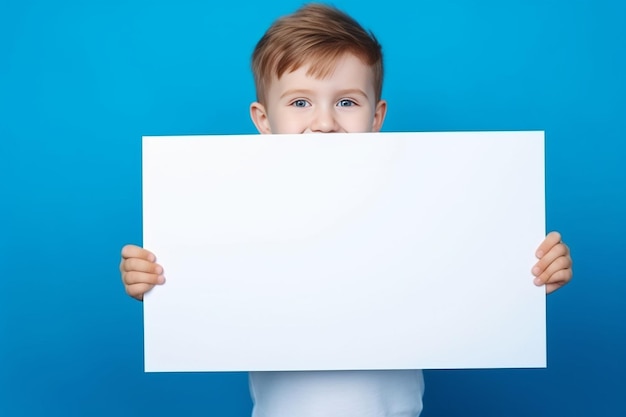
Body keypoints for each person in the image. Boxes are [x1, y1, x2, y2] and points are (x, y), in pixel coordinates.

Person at [119, 4, 573, 417]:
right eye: (300, 102)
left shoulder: (417, 210)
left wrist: (526, 277)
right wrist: (159, 283)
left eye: (346, 102)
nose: (324, 122)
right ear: (263, 120)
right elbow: (205, 290)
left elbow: (460, 271)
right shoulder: (236, 218)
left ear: (376, 117)